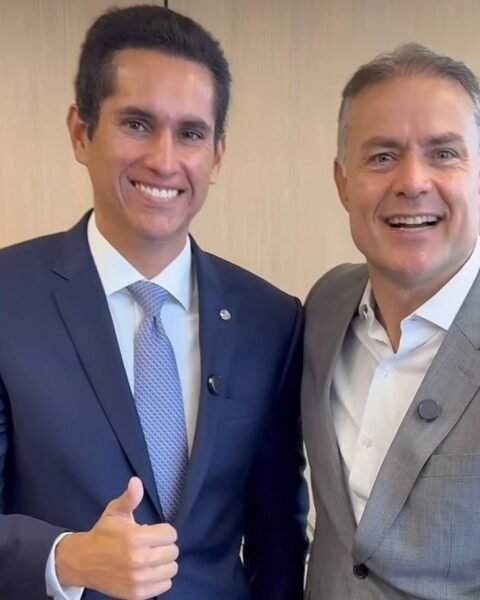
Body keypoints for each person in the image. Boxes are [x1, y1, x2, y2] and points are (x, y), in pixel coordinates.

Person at [0, 5, 308, 599]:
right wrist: (67, 559)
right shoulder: (9, 298)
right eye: (137, 124)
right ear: (81, 133)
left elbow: (279, 539)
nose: (165, 160)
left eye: (191, 133)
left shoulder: (270, 320)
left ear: (217, 154)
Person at [302, 43, 480, 599]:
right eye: (382, 157)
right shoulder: (324, 306)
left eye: (444, 154)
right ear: (342, 181)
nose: (413, 181)